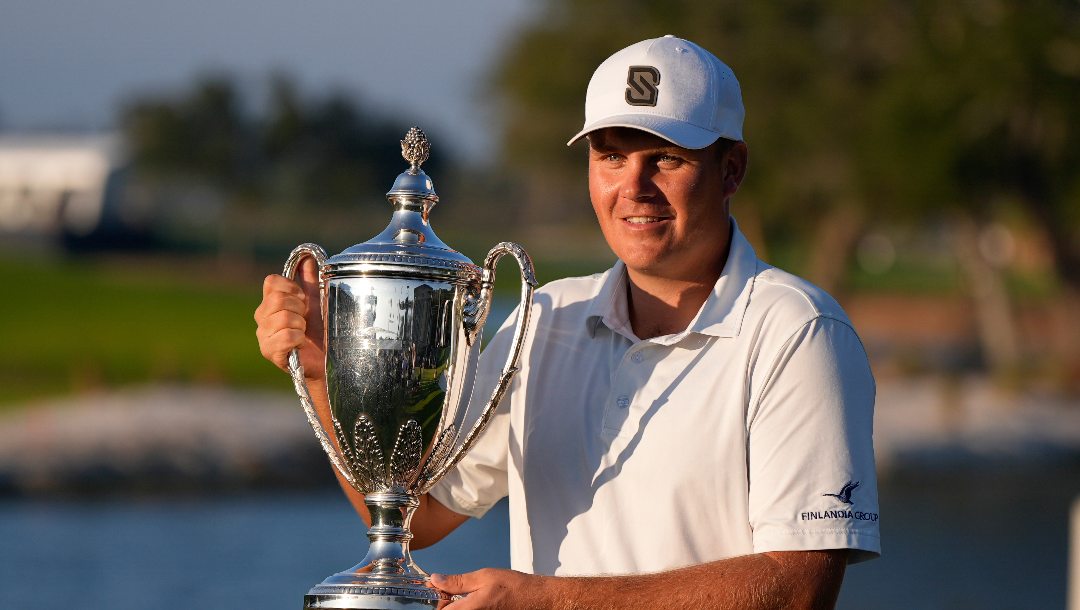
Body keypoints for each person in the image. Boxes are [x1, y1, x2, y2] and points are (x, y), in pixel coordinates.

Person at [255, 35, 879, 609]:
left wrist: (553, 601)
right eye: (610, 157)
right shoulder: (546, 318)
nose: (633, 187)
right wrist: (321, 372)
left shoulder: (798, 332)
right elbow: (414, 518)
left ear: (731, 169)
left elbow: (800, 587)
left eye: (664, 159)